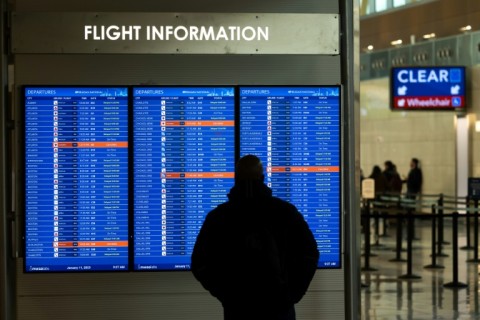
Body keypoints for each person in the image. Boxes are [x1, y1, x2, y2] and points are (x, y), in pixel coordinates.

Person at [191, 155, 319, 320]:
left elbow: (200, 263)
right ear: (262, 177)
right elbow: (309, 253)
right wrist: (291, 294)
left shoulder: (219, 217)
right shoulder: (285, 213)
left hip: (238, 310)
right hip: (279, 309)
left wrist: (226, 295)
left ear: (236, 178)